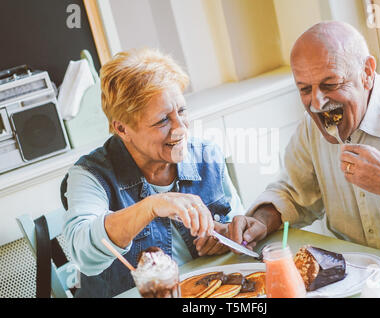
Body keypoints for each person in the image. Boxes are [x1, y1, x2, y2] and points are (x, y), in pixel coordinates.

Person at [229, 21, 380, 266]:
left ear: (367, 73)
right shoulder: (311, 127)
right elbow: (293, 194)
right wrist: (260, 220)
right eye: (304, 89)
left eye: (330, 85)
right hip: (350, 276)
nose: (317, 102)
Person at [61, 48, 244, 297]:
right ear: (122, 128)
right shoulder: (89, 175)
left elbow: (235, 221)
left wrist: (224, 236)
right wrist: (151, 206)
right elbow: (84, 254)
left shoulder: (206, 155)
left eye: (181, 111)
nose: (180, 129)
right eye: (162, 121)